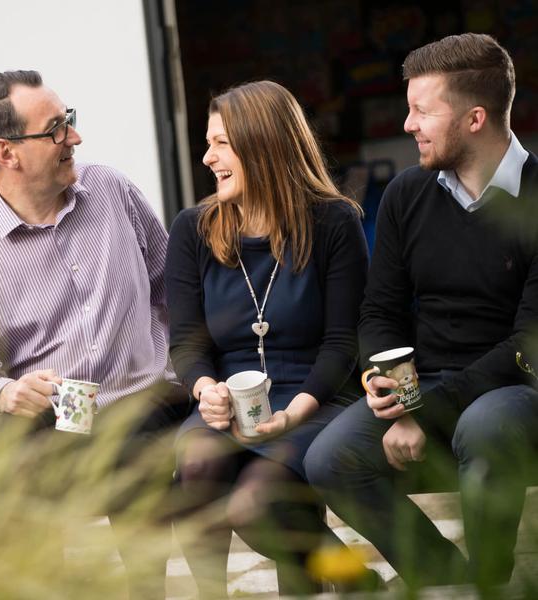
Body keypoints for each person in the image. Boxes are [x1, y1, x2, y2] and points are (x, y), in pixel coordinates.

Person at [305, 32, 538, 591]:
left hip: (516, 391)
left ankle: (489, 584)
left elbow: (526, 343)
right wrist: (396, 397)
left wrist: (419, 411)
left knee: (483, 428)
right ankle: (445, 579)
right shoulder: (409, 193)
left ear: (475, 118)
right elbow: (379, 312)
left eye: (421, 110)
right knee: (329, 459)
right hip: (426, 384)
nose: (408, 124)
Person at [0, 70, 190, 597]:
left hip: (144, 400)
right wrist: (5, 392)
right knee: (1, 490)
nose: (74, 138)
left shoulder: (110, 190)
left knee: (129, 460)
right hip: (55, 418)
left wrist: (184, 369)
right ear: (7, 152)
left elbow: (173, 289)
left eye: (69, 121)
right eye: (56, 129)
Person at [164, 80, 374, 596]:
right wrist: (204, 389)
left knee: (262, 500)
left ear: (263, 143)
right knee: (196, 464)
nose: (208, 157)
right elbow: (187, 340)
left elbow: (343, 342)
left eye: (221, 143)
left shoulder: (333, 221)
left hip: (315, 391)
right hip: (231, 395)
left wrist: (294, 413)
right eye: (207, 142)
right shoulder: (193, 229)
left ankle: (351, 582)